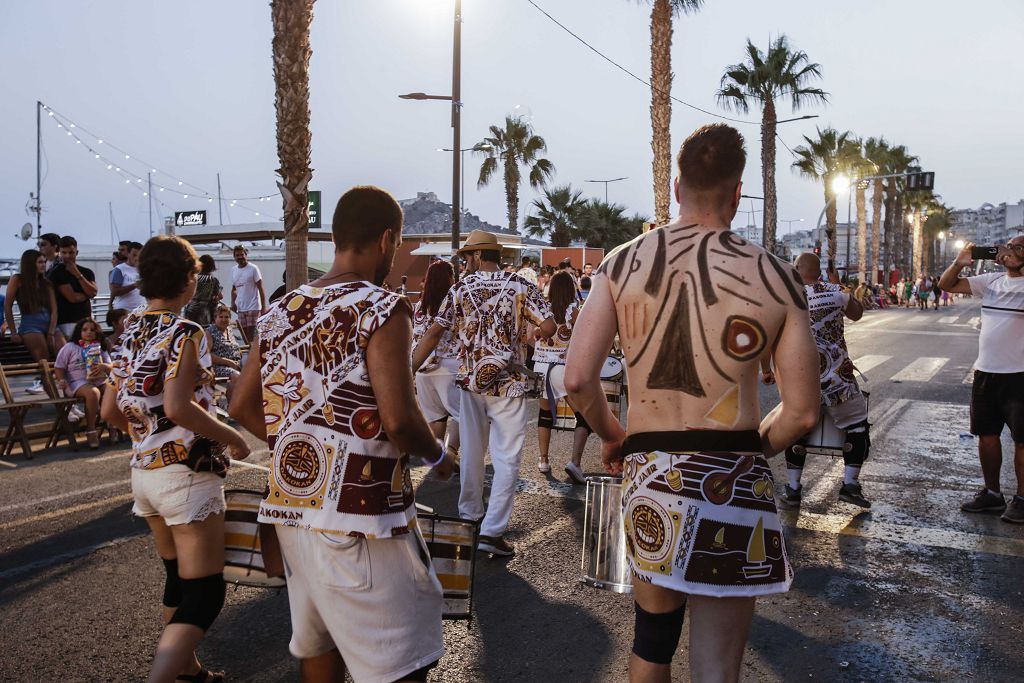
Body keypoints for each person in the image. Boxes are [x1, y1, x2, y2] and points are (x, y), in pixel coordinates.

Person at [564, 123, 819, 683]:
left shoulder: (620, 264)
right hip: (734, 474)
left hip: (651, 469)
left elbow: (578, 377)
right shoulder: (776, 277)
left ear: (678, 188)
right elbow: (802, 411)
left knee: (652, 642)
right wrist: (750, 450)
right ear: (736, 192)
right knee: (717, 664)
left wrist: (614, 433)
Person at [229, 185, 451, 683]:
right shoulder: (381, 308)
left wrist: (296, 442)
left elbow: (240, 404)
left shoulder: (281, 310)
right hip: (360, 516)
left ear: (334, 237)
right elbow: (399, 420)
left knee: (319, 651)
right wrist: (439, 456)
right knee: (405, 662)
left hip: (292, 511)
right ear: (387, 239)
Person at [101, 235, 250, 683]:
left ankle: (189, 671)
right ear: (190, 280)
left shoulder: (129, 329)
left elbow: (109, 411)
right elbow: (179, 407)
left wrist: (147, 434)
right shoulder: (186, 332)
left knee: (177, 580)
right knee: (205, 593)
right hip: (187, 474)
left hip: (143, 475)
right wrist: (234, 439)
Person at [414, 229, 556, 557]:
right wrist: (524, 332)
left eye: (467, 257)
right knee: (506, 457)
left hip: (469, 381)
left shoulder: (461, 288)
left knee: (474, 452)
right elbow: (548, 327)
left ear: (478, 256)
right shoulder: (521, 285)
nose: (464, 263)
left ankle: (470, 517)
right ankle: (492, 532)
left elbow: (435, 332)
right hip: (508, 383)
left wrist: (408, 370)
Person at [777, 253, 873, 509]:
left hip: (801, 376)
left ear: (797, 269)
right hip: (837, 377)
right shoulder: (835, 291)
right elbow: (857, 314)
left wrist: (768, 369)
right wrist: (840, 286)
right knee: (856, 426)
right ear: (819, 271)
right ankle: (850, 485)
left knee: (796, 427)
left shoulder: (787, 296)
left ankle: (794, 489)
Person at [940, 237, 1024, 523]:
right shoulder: (992, 281)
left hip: (1020, 375)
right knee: (986, 435)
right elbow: (947, 285)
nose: (1009, 252)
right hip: (986, 372)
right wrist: (959, 262)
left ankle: (1022, 499)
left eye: (1018, 248)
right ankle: (992, 494)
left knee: (1022, 440)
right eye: (1008, 246)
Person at [532, 271, 583, 477]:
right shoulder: (575, 312)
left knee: (544, 415)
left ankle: (543, 460)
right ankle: (575, 462)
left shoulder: (542, 309)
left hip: (541, 367)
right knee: (584, 417)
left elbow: (530, 337)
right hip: (563, 367)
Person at [412, 260, 462, 463]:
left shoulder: (418, 307)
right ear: (450, 278)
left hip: (423, 370)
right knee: (462, 414)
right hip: (449, 366)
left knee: (436, 416)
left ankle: (438, 456)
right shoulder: (453, 304)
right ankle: (451, 452)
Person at [5, 249, 58, 394]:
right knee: (44, 362)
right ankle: (59, 403)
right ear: (30, 264)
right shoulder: (18, 280)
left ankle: (68, 398)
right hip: (30, 325)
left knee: (65, 355)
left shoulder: (46, 283)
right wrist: (13, 331)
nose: (43, 265)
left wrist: (51, 333)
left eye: (44, 262)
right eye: (40, 262)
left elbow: (54, 310)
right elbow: (8, 306)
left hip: (49, 325)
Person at [54, 317, 111, 449]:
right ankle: (91, 430)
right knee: (93, 393)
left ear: (97, 332)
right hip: (77, 381)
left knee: (112, 389)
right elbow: (59, 366)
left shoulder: (100, 347)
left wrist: (106, 366)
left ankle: (112, 423)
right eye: (84, 329)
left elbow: (111, 365)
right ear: (78, 331)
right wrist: (62, 380)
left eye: (92, 330)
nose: (88, 332)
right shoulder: (70, 347)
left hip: (99, 379)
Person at [48, 236, 98, 340]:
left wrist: (77, 274)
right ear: (60, 252)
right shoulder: (57, 272)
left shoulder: (87, 272)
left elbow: (93, 292)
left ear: (76, 252)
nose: (67, 256)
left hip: (86, 321)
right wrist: (86, 294)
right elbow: (73, 298)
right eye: (64, 253)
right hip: (67, 322)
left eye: (71, 252)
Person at [230, 246, 266, 343]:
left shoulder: (253, 268)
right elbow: (234, 289)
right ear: (234, 257)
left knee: (252, 335)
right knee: (244, 336)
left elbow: (261, 288)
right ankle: (249, 356)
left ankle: (253, 356)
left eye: (242, 254)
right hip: (241, 308)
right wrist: (232, 303)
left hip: (253, 307)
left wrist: (263, 308)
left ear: (246, 255)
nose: (240, 257)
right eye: (237, 255)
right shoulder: (233, 270)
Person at [205, 304, 241, 383]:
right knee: (238, 375)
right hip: (218, 367)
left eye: (226, 317)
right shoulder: (210, 331)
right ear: (215, 318)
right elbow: (207, 355)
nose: (224, 319)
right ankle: (236, 395)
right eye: (221, 317)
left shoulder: (229, 329)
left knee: (255, 370)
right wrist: (228, 362)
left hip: (235, 364)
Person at [183, 255, 222, 327]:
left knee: (189, 332)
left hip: (191, 308)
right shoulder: (213, 280)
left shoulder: (194, 278)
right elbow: (219, 296)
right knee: (203, 333)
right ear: (212, 266)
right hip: (204, 311)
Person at [110, 241, 145, 312]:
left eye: (139, 255)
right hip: (125, 311)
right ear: (128, 254)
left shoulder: (144, 269)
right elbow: (114, 291)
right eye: (134, 255)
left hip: (142, 310)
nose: (137, 258)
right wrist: (134, 285)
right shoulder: (119, 269)